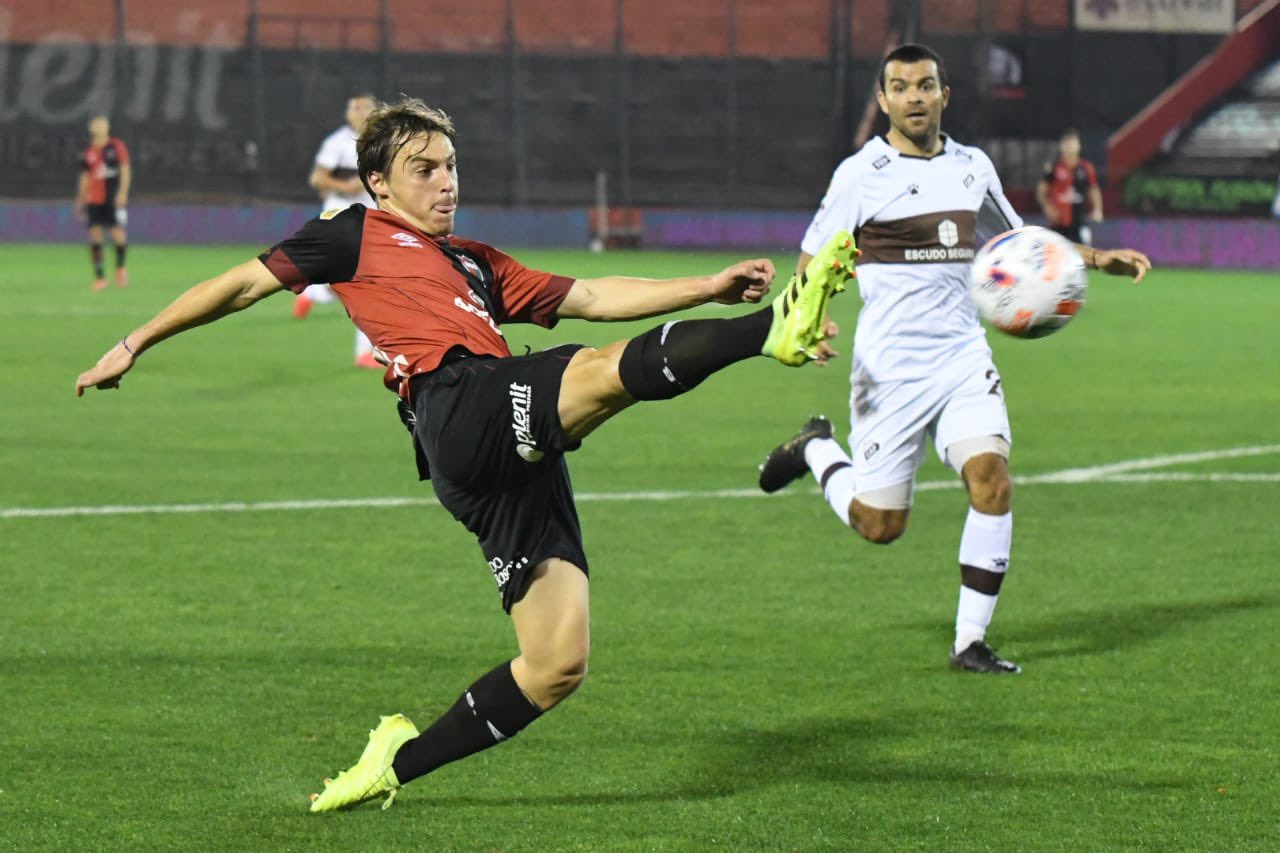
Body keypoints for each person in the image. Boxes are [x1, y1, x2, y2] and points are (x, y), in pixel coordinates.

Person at [75, 97, 854, 812]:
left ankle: (395, 763)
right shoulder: (352, 232)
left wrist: (708, 285)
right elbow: (242, 284)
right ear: (379, 183)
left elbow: (588, 295)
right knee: (592, 373)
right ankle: (772, 330)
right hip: (458, 406)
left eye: (451, 166)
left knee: (555, 663)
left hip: (501, 455)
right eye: (424, 169)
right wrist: (134, 341)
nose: (445, 182)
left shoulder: (477, 262)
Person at [757, 44, 1151, 674]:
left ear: (945, 95)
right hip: (888, 370)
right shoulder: (860, 174)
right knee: (880, 525)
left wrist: (1097, 258)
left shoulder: (973, 167)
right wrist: (807, 320)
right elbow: (812, 259)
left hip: (962, 357)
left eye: (925, 85)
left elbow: (1017, 243)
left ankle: (970, 641)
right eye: (900, 87)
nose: (914, 97)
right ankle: (816, 449)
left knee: (991, 478)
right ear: (883, 100)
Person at [294, 93, 381, 368]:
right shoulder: (337, 143)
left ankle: (312, 294)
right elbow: (317, 178)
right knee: (358, 280)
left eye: (365, 107)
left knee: (361, 281)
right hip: (339, 216)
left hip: (370, 217)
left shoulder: (382, 142)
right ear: (348, 113)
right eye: (356, 107)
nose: (360, 112)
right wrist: (346, 187)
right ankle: (314, 294)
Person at [74, 115, 131, 291]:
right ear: (91, 128)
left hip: (112, 198)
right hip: (93, 199)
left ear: (107, 127)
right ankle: (100, 277)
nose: (99, 127)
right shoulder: (89, 152)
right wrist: (80, 200)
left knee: (117, 233)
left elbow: (125, 170)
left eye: (102, 124)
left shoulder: (116, 147)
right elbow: (85, 178)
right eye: (96, 125)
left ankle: (120, 267)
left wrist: (122, 192)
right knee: (95, 235)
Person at [1036, 128, 1104, 245]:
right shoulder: (1053, 167)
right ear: (1061, 146)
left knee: (1084, 251)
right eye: (1067, 143)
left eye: (1073, 143)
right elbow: (1041, 191)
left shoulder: (1086, 168)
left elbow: (1093, 190)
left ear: (1079, 146)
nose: (1070, 147)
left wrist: (1098, 209)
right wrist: (1047, 207)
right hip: (1058, 224)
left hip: (1080, 222)